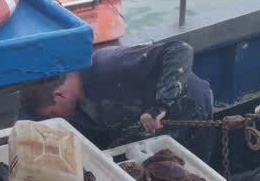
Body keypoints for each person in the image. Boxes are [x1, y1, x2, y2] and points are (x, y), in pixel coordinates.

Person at [18, 40, 216, 160]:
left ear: (59, 94)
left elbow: (180, 49)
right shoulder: (77, 110)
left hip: (188, 108)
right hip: (143, 125)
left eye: (53, 113)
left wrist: (162, 104)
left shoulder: (109, 63)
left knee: (193, 170)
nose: (57, 118)